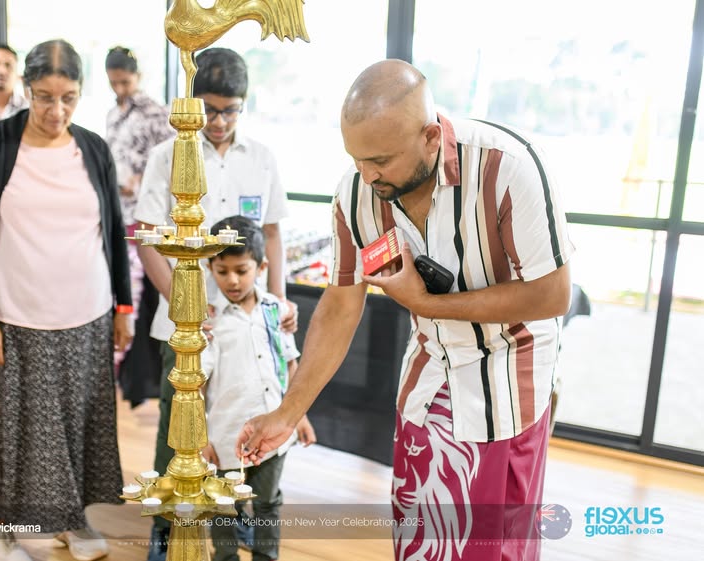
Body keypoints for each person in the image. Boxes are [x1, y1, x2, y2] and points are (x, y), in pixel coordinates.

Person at [236, 59, 574, 561]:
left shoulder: (507, 167)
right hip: (429, 374)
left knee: (493, 544)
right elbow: (341, 303)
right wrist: (289, 412)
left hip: (508, 378)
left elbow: (552, 294)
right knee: (419, 534)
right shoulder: (356, 194)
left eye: (381, 161)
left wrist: (424, 303)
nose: (366, 175)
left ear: (432, 137)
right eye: (356, 158)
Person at [0, 39, 132, 561]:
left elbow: (113, 228)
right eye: (44, 98)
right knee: (19, 428)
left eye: (69, 99)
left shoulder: (94, 148)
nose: (57, 112)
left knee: (80, 424)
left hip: (89, 311)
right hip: (17, 314)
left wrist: (123, 307)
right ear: (26, 91)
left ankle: (72, 524)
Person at [132, 47, 294, 561]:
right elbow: (148, 239)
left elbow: (272, 234)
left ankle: (240, 522)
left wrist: (278, 300)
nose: (220, 121)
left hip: (248, 323)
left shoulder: (262, 157)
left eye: (231, 110)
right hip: (187, 329)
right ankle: (165, 530)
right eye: (211, 109)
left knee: (251, 421)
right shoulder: (167, 156)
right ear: (192, 103)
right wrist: (184, 306)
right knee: (178, 432)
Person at [202, 216, 315, 561]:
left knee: (268, 503)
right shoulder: (209, 322)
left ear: (261, 266)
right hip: (224, 435)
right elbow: (197, 384)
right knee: (224, 507)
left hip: (273, 438)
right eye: (222, 272)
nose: (232, 280)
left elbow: (290, 361)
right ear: (210, 268)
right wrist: (200, 437)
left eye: (242, 270)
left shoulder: (276, 311)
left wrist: (299, 415)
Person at [104, 46, 174, 405]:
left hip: (144, 222)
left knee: (131, 302)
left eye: (126, 82)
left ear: (139, 76)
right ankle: (117, 381)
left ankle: (124, 380)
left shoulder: (156, 114)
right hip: (115, 217)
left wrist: (138, 178)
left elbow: (173, 165)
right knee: (117, 298)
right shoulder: (111, 115)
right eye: (114, 82)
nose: (121, 89)